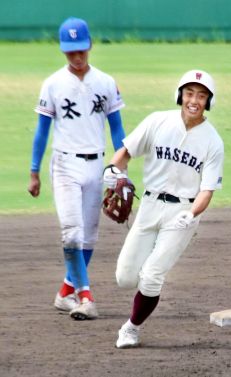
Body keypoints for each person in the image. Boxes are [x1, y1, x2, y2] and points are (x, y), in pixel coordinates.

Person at [103, 69, 224, 348]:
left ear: (209, 102)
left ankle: (131, 328)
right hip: (148, 205)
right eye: (190, 93)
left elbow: (207, 191)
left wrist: (192, 214)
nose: (194, 100)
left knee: (152, 275)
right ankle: (147, 279)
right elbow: (126, 152)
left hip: (182, 213)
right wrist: (113, 169)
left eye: (202, 95)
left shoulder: (213, 141)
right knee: (125, 278)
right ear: (180, 95)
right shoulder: (158, 121)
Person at [28, 17, 126, 320]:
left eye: (81, 50)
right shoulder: (53, 84)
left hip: (97, 165)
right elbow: (42, 131)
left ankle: (64, 294)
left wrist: (120, 168)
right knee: (71, 235)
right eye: (71, 52)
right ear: (63, 51)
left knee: (88, 239)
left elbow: (118, 130)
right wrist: (34, 171)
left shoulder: (106, 83)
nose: (77, 57)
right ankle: (86, 297)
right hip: (65, 165)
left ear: (90, 46)